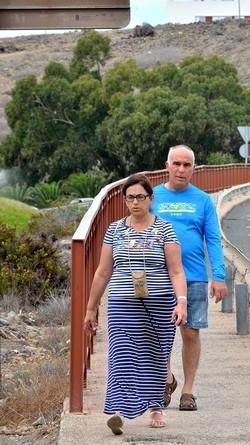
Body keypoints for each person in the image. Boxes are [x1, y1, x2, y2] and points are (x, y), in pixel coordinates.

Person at [83, 174, 188, 434]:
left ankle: (155, 407)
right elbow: (103, 272)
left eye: (141, 197)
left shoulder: (164, 229)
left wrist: (181, 302)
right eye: (130, 197)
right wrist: (91, 307)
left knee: (155, 355)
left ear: (151, 199)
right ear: (124, 200)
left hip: (159, 301)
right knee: (122, 355)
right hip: (121, 302)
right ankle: (117, 411)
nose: (136, 202)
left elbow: (175, 270)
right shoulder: (115, 230)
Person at [151, 145, 228, 411]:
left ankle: (188, 390)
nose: (181, 170)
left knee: (190, 331)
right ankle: (166, 378)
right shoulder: (153, 197)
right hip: (158, 276)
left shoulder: (203, 201)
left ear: (193, 168)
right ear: (167, 165)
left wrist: (218, 275)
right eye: (177, 164)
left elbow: (214, 240)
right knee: (158, 333)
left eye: (187, 165)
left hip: (194, 275)